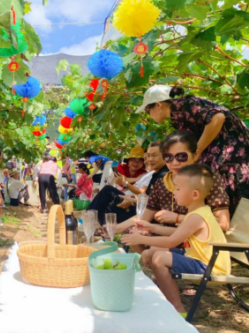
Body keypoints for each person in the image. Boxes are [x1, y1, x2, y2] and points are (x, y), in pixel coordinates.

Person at [122, 164, 231, 317]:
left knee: (159, 257)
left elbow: (172, 241)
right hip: (198, 260)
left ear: (194, 194)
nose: (174, 192)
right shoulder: (197, 212)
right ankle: (163, 286)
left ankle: (177, 309)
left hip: (209, 266)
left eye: (178, 189)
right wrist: (151, 227)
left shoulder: (196, 216)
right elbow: (177, 232)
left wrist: (139, 238)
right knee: (149, 253)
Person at [138, 85, 249, 215]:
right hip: (222, 156)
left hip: (231, 156)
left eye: (147, 110)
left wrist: (198, 150)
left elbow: (218, 117)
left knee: (230, 200)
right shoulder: (178, 115)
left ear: (158, 105)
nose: (148, 115)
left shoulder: (184, 105)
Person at [116, 131, 231, 244]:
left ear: (196, 155)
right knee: (133, 233)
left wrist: (178, 218)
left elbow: (223, 224)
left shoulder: (207, 179)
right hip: (168, 236)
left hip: (198, 242)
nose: (174, 163)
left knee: (156, 252)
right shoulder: (162, 183)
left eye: (181, 156)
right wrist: (117, 228)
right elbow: (145, 216)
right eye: (168, 157)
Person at [91, 142, 169, 225]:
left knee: (108, 192)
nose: (149, 160)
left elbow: (148, 198)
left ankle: (93, 221)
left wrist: (132, 200)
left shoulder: (161, 175)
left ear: (165, 156)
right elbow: (145, 194)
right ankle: (99, 224)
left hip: (143, 210)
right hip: (137, 203)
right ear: (128, 161)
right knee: (107, 198)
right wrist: (132, 196)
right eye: (148, 156)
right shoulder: (152, 174)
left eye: (154, 155)